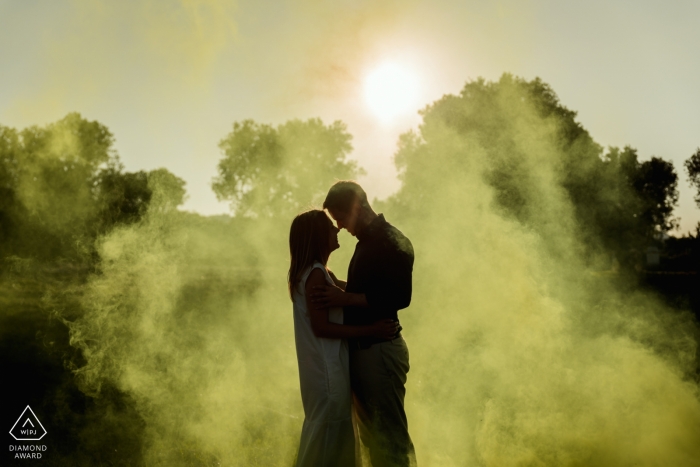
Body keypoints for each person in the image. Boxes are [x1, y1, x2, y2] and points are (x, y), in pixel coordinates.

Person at [312, 181, 417, 467]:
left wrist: (343, 299)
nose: (341, 226)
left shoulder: (392, 242)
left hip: (380, 351)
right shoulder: (368, 243)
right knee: (374, 438)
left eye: (342, 218)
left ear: (357, 207)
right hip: (367, 352)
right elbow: (366, 289)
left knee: (390, 438)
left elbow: (398, 297)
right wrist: (339, 288)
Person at [288, 209, 399, 467]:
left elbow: (349, 291)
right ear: (318, 236)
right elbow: (322, 328)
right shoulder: (315, 274)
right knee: (329, 437)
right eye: (330, 227)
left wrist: (376, 291)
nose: (337, 229)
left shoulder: (318, 272)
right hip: (326, 370)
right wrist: (371, 330)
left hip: (325, 368)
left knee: (327, 433)